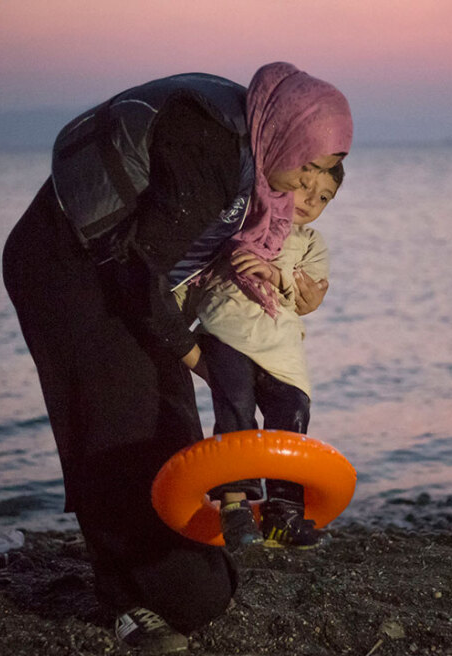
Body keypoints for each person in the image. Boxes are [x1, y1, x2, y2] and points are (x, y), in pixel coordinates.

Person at [2, 62, 351, 654]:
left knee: (171, 426)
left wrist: (292, 296)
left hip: (134, 281)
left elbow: (207, 252)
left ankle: (168, 572)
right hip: (66, 269)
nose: (306, 185)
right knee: (108, 425)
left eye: (324, 171)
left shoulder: (259, 156)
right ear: (283, 133)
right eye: (307, 164)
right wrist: (197, 356)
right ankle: (124, 599)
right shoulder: (210, 144)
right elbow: (142, 266)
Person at [185, 163, 344, 551]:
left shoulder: (310, 242)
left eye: (323, 196)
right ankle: (235, 507)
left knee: (292, 412)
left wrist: (275, 275)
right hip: (228, 333)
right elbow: (193, 273)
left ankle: (283, 515)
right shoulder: (240, 220)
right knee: (235, 406)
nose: (310, 199)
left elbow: (307, 292)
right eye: (303, 185)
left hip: (281, 345)